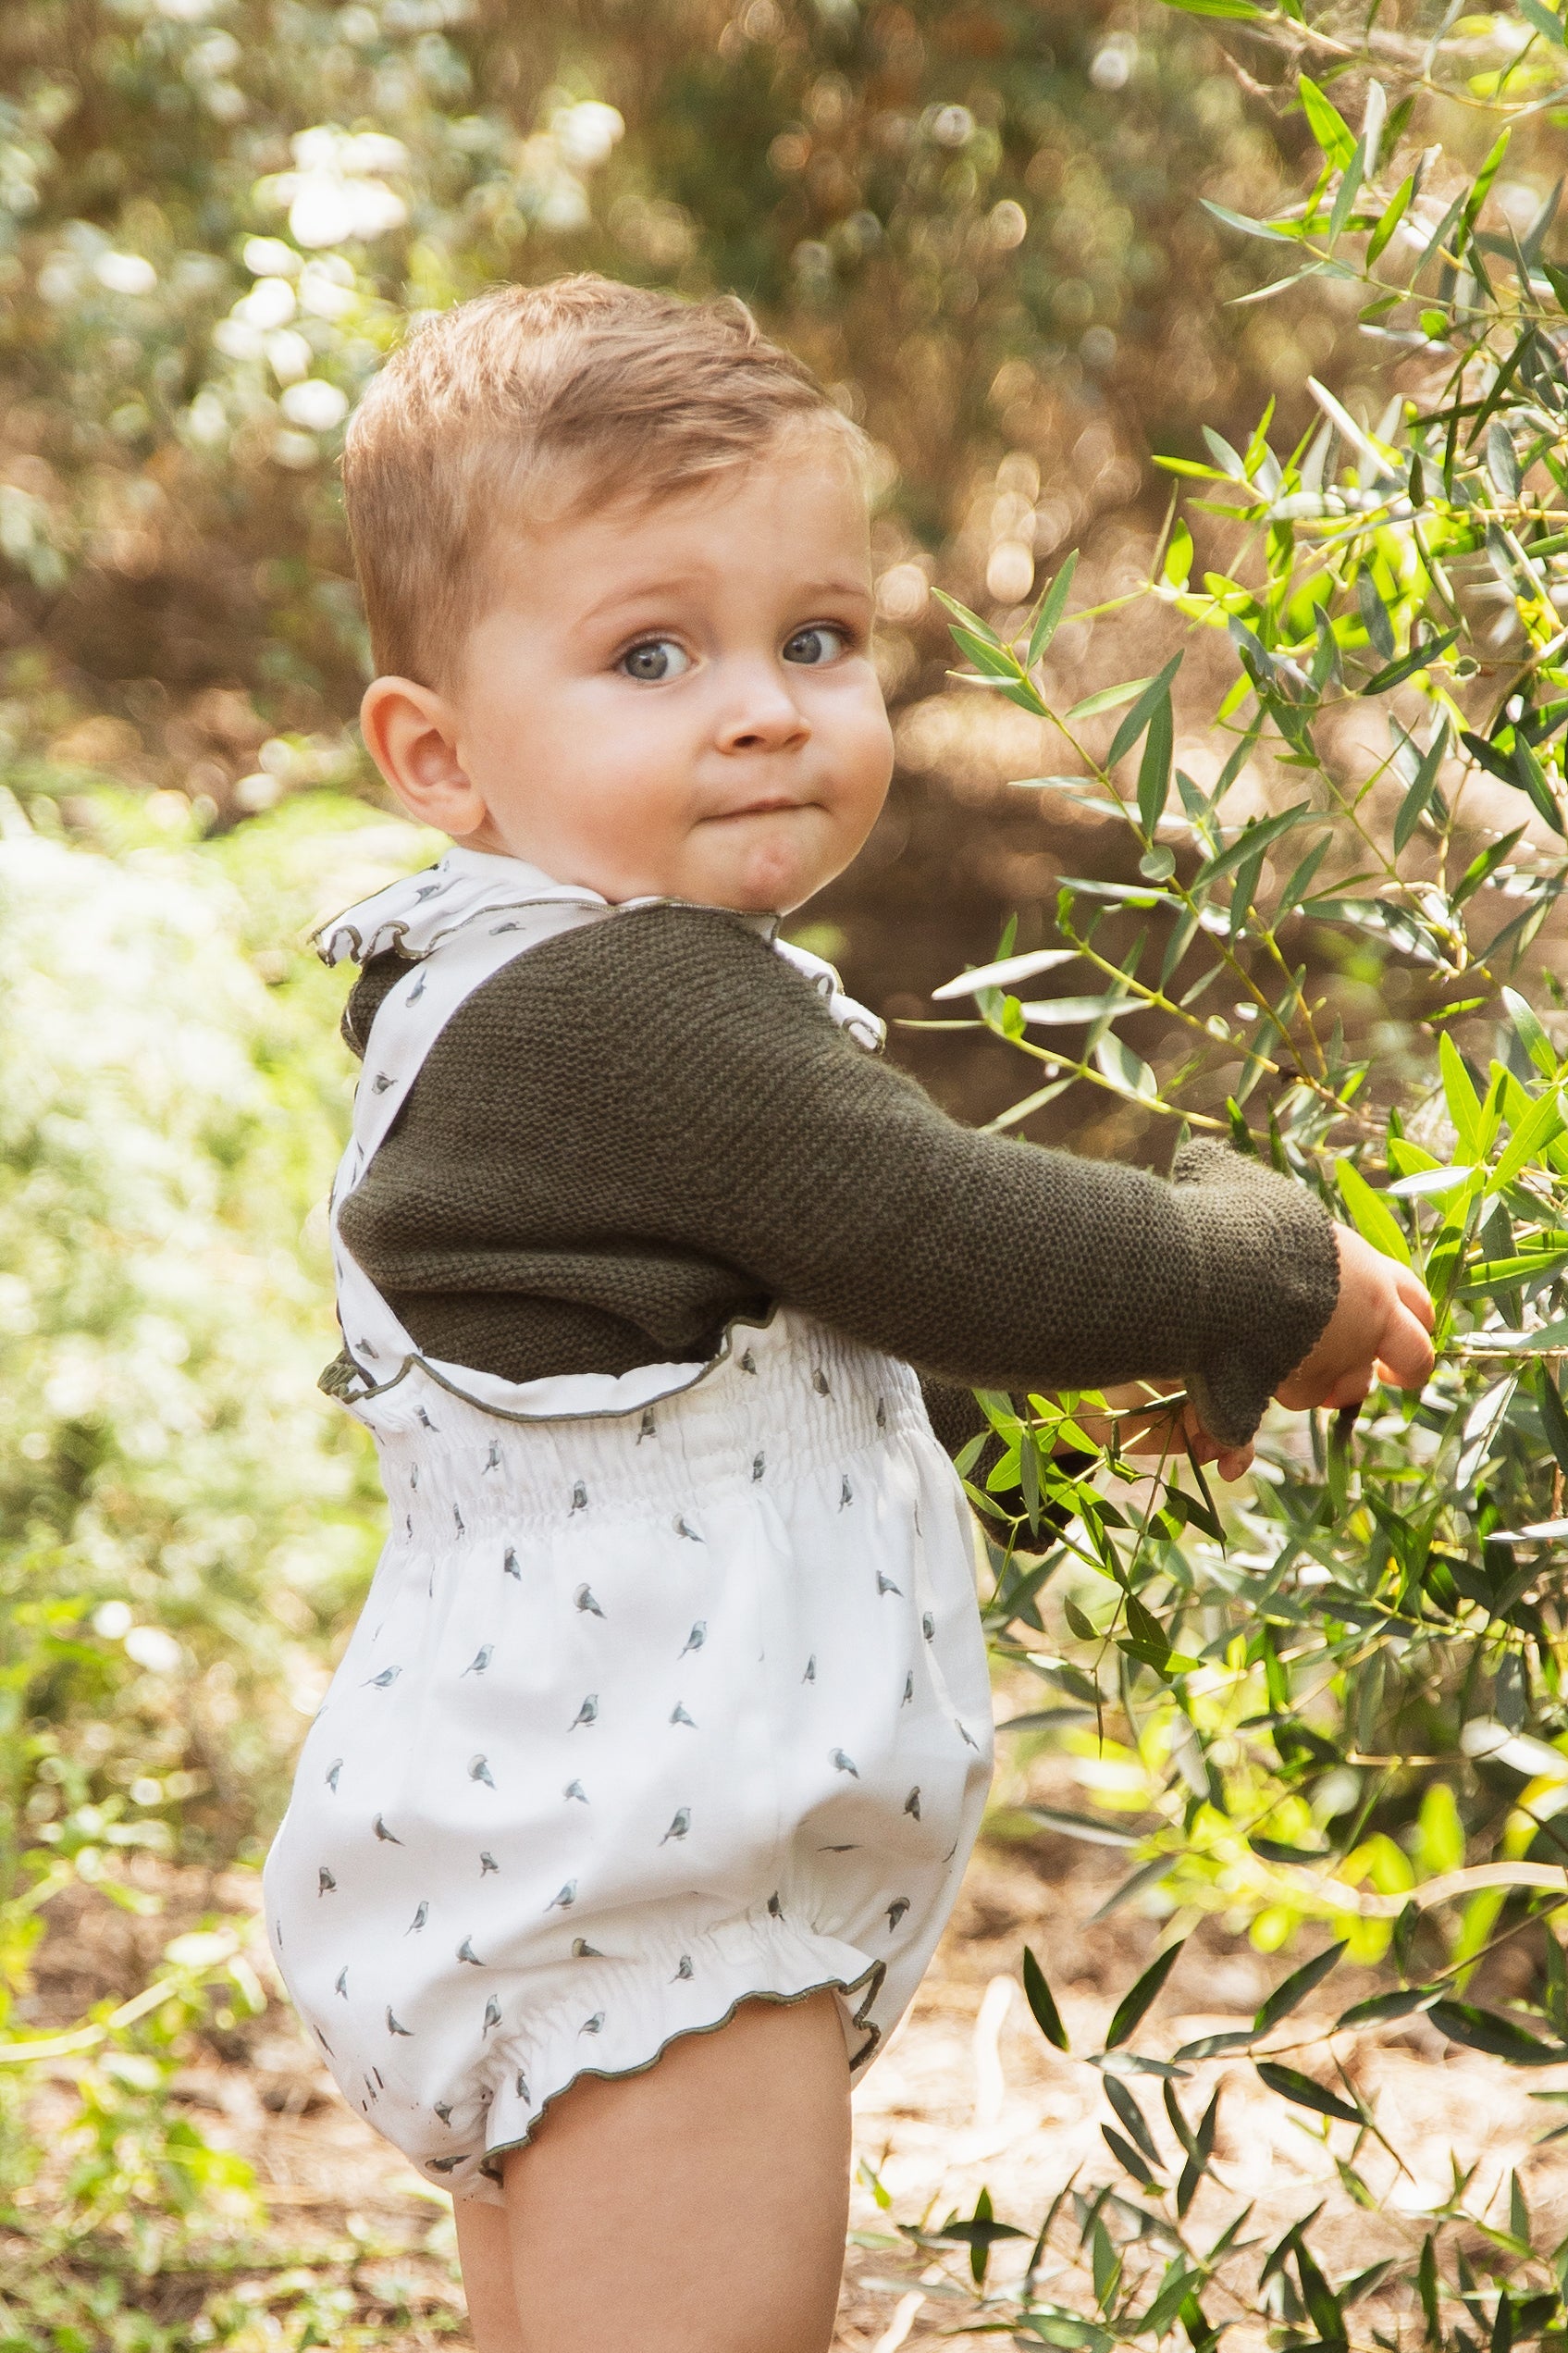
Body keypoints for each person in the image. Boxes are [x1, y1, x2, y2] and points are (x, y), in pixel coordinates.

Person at [262, 276, 1434, 2353]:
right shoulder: (638, 1008)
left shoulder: (508, 987)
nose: (763, 705)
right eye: (652, 652)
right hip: (650, 1891)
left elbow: (762, 1354)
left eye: (816, 639)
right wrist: (1262, 1258)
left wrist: (1030, 1431)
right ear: (436, 755)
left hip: (536, 1845)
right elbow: (941, 1235)